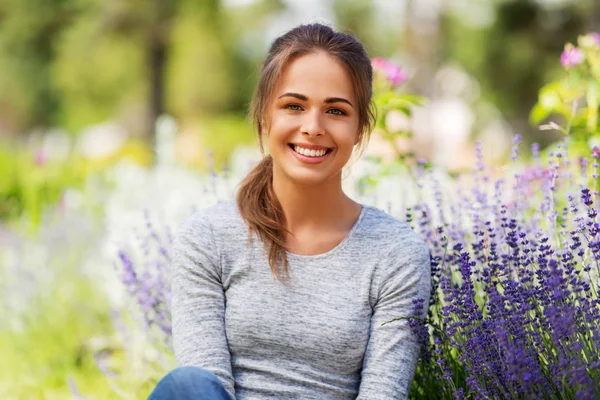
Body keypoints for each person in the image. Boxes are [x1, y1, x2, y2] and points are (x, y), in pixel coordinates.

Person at [148, 23, 431, 400]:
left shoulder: (396, 254)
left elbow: (383, 393)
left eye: (336, 110)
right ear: (265, 115)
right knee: (188, 385)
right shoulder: (208, 239)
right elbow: (206, 387)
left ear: (360, 128)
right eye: (294, 106)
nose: (313, 127)